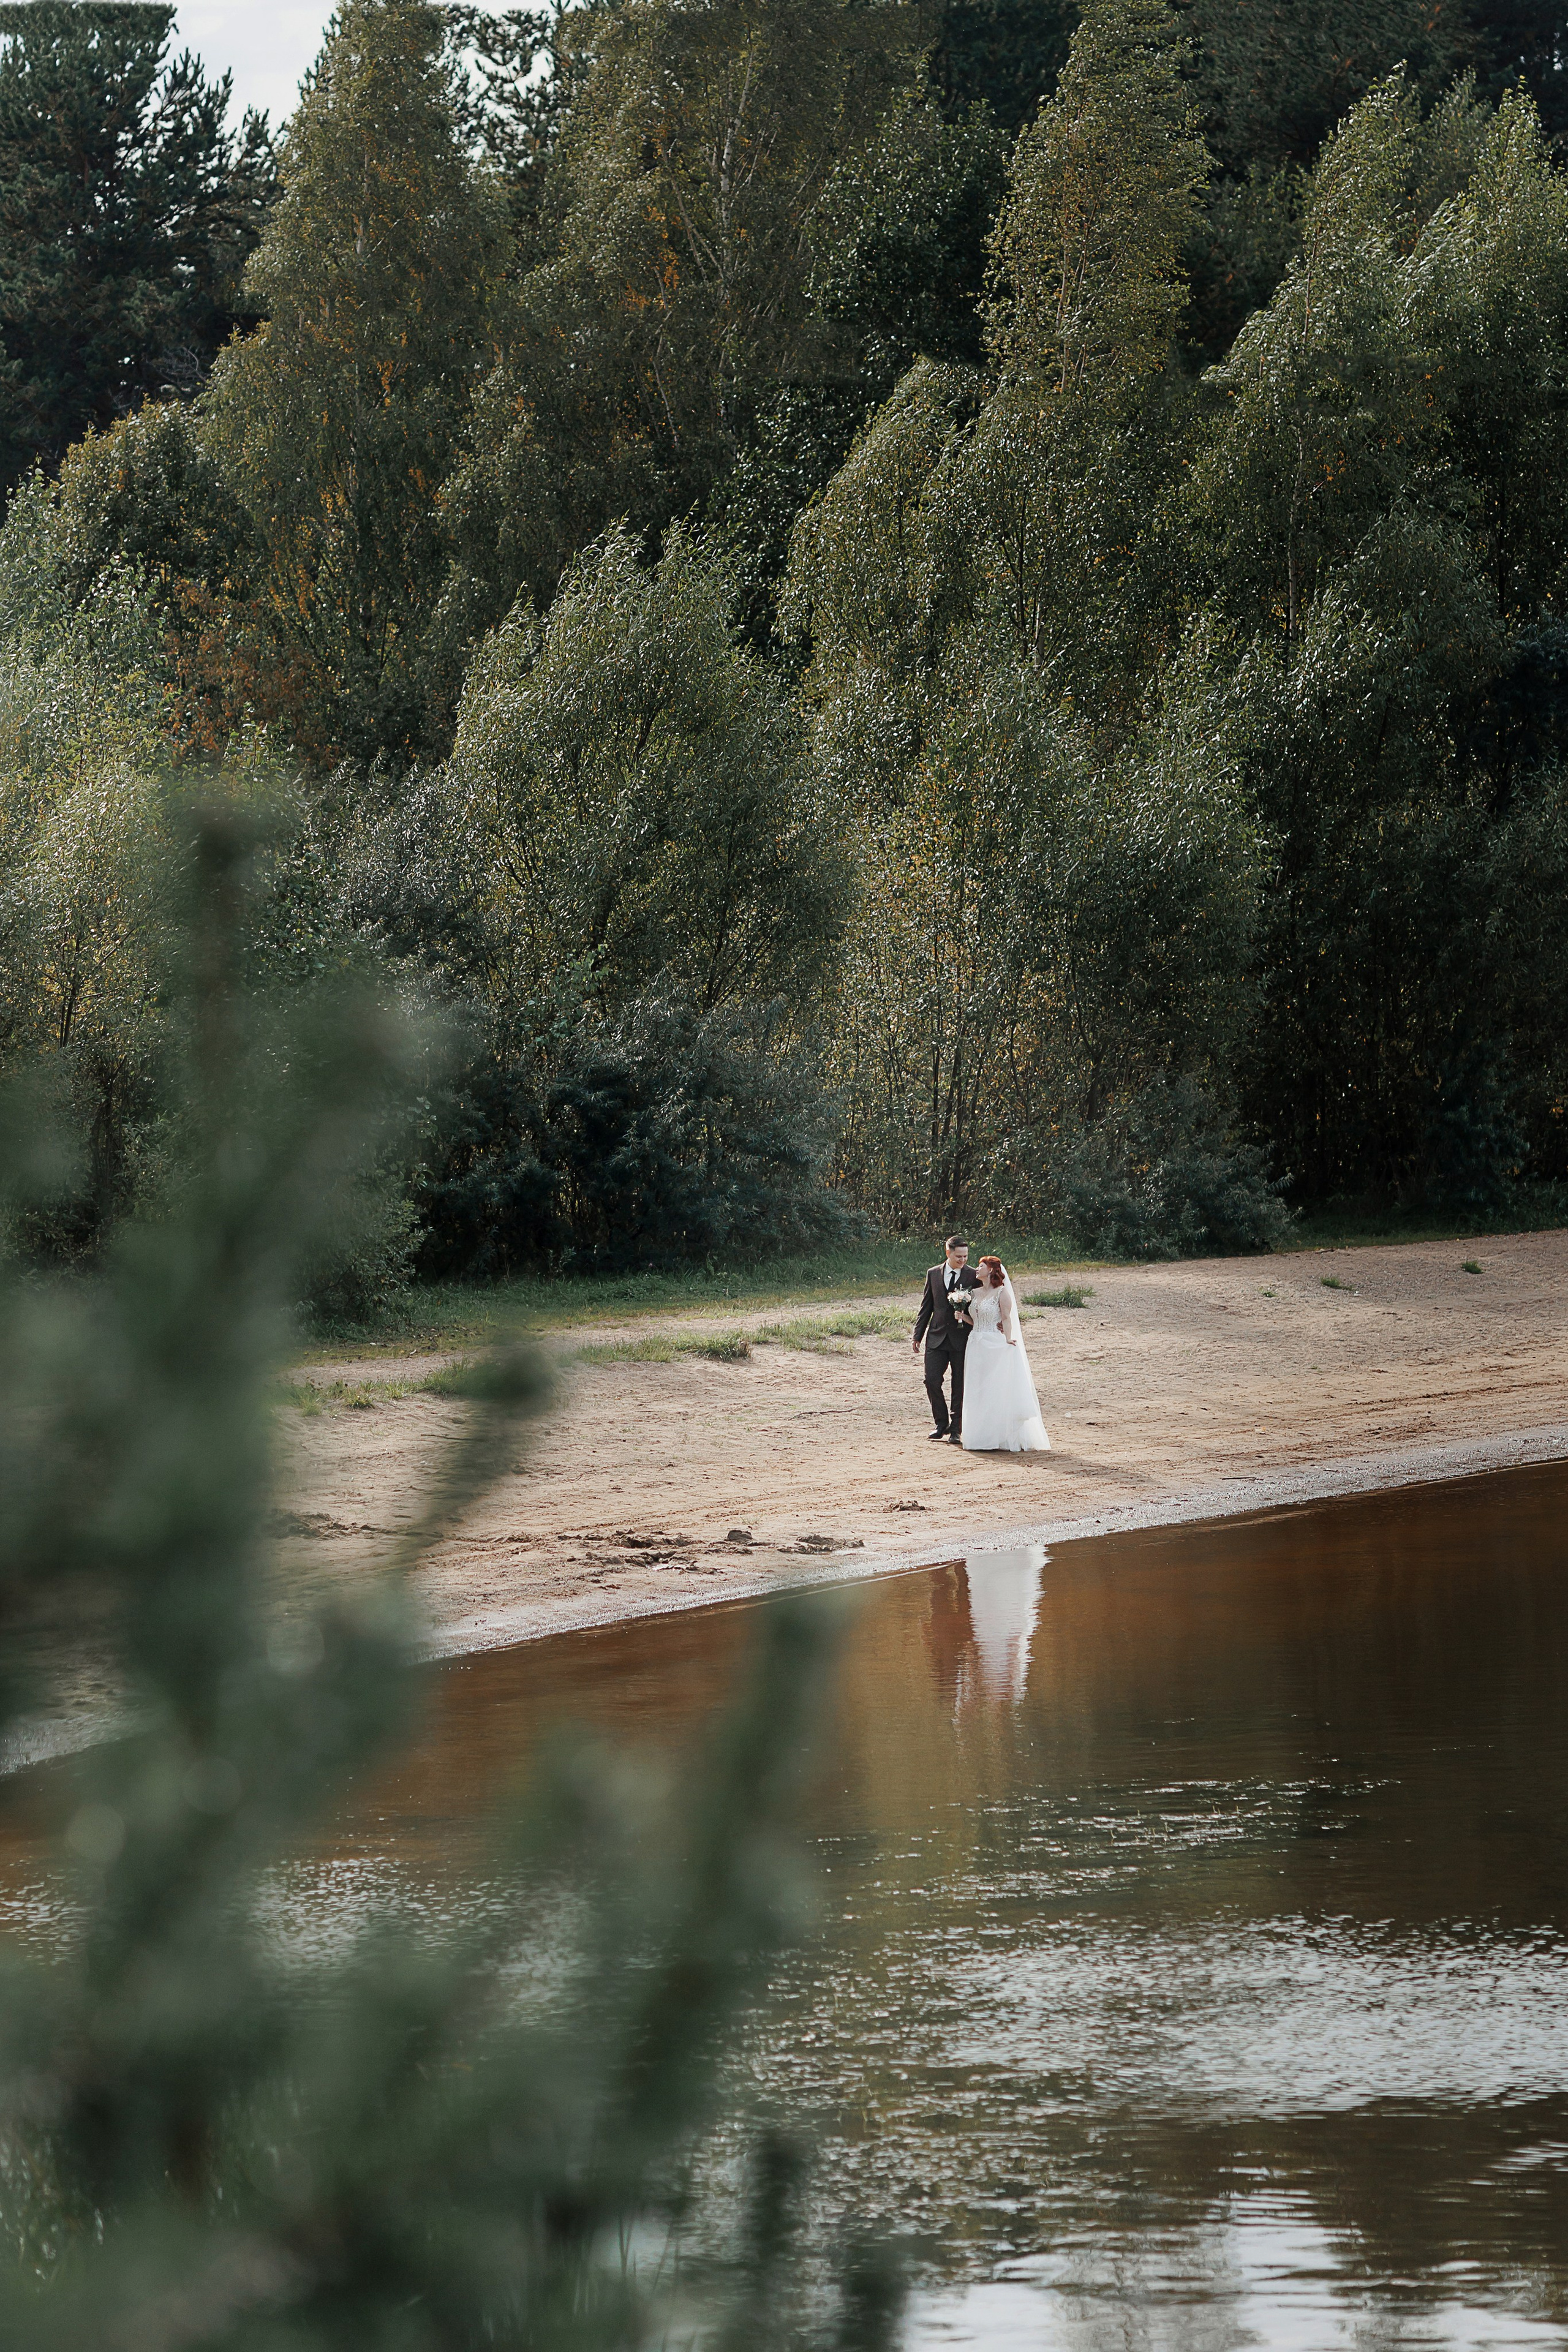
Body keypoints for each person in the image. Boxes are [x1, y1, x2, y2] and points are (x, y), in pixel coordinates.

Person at [959, 1255, 1050, 1453]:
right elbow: (977, 1320)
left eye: (981, 1266)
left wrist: (1008, 1338)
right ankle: (978, 1436)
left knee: (994, 1388)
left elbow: (1007, 1318)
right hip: (975, 1344)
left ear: (991, 1270)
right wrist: (963, 1316)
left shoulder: (1002, 1292)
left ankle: (997, 1436)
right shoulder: (974, 1293)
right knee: (977, 1388)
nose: (977, 1269)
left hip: (994, 1343)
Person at [912, 1235, 979, 1444]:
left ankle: (956, 1430)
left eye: (965, 1256)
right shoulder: (933, 1273)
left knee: (959, 1384)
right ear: (948, 1252)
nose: (963, 1260)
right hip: (936, 1337)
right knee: (931, 1380)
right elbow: (926, 1306)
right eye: (959, 1256)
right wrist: (918, 1335)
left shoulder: (973, 1276)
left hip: (962, 1339)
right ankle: (941, 1424)